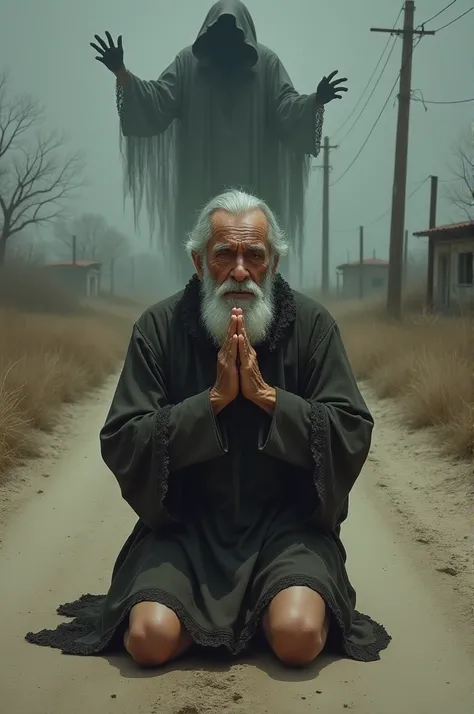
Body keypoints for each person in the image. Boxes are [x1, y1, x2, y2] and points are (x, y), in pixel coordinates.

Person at [26, 188, 391, 667]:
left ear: (273, 262)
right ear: (200, 261)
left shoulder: (313, 326)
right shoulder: (158, 327)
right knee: (149, 640)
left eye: (253, 255)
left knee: (297, 636)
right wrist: (213, 402)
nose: (239, 270)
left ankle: (265, 612)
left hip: (288, 526)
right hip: (184, 526)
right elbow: (123, 437)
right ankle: (235, 621)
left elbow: (351, 428)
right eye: (225, 254)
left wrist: (267, 398)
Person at [90, 0, 348, 283]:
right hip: (200, 191)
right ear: (208, 33)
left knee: (249, 264)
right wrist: (122, 73)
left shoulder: (268, 64)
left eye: (233, 32)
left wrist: (315, 101)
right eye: (221, 31)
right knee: (204, 267)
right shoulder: (188, 64)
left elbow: (285, 109)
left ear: (245, 34)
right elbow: (158, 100)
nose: (227, 39)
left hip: (255, 190)